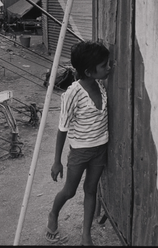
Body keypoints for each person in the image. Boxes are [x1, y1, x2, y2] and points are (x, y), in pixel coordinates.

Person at [45, 41, 111, 245]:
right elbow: (62, 128)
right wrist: (57, 161)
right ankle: (53, 214)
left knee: (91, 190)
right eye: (105, 65)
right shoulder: (72, 93)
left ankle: (86, 235)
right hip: (80, 152)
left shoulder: (100, 85)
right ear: (90, 71)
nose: (109, 68)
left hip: (100, 149)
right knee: (70, 191)